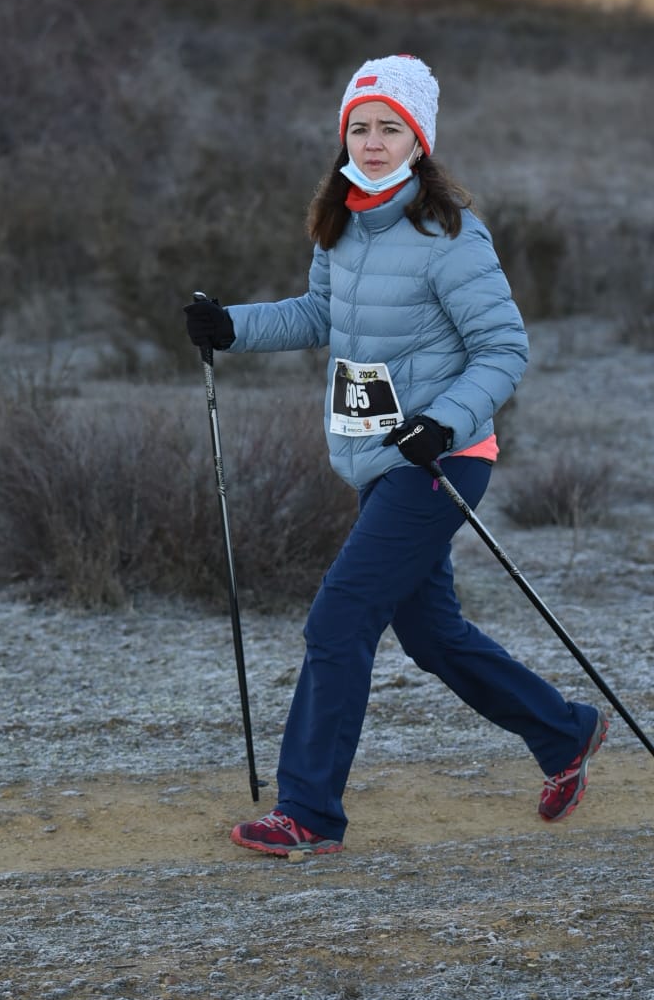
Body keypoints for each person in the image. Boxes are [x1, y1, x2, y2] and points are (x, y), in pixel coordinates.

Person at [184, 54, 607, 857]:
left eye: (390, 128)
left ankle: (308, 812)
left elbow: (504, 349)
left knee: (339, 618)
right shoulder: (341, 222)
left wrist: (442, 424)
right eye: (360, 128)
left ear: (419, 141)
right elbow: (320, 315)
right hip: (376, 459)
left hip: (441, 462)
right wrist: (231, 326)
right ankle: (565, 732)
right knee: (432, 635)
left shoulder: (450, 235)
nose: (372, 143)